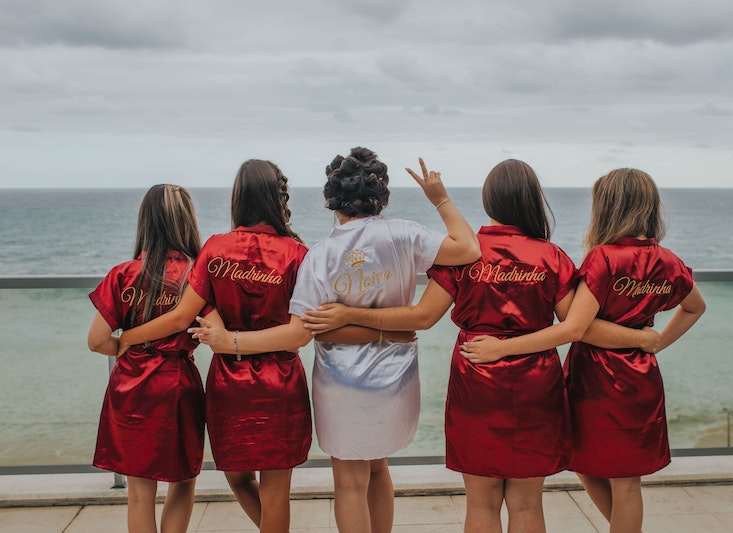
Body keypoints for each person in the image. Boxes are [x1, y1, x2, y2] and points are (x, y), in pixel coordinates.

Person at [299, 159, 657, 533]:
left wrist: (349, 316)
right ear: (533, 200)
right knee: (527, 505)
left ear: (489, 201)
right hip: (538, 385)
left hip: (476, 380)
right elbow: (578, 326)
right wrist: (639, 336)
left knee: (481, 503)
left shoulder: (466, 255)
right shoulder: (552, 257)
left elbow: (422, 317)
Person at [189, 147, 481, 533]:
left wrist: (231, 340)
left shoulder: (321, 254)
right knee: (378, 468)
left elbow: (307, 329)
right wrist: (439, 197)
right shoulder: (405, 233)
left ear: (331, 199)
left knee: (349, 481)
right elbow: (469, 249)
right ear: (380, 197)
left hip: (341, 379)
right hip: (396, 376)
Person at [458, 168, 706, 533]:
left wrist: (502, 349)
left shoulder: (604, 259)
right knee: (614, 476)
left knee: (606, 475)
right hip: (641, 374)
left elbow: (576, 327)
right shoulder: (668, 260)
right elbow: (695, 307)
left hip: (598, 376)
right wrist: (652, 341)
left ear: (607, 207)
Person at [117, 160, 312, 533]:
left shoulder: (215, 248)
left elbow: (180, 317)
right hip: (281, 382)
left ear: (237, 198)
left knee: (239, 480)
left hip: (229, 383)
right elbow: (301, 332)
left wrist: (127, 337)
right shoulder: (297, 253)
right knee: (276, 494)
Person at [87, 184, 205, 533]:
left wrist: (125, 345)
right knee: (182, 481)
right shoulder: (196, 274)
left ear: (145, 222)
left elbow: (96, 341)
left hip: (130, 387)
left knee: (139, 492)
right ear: (187, 221)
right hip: (177, 385)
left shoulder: (123, 274)